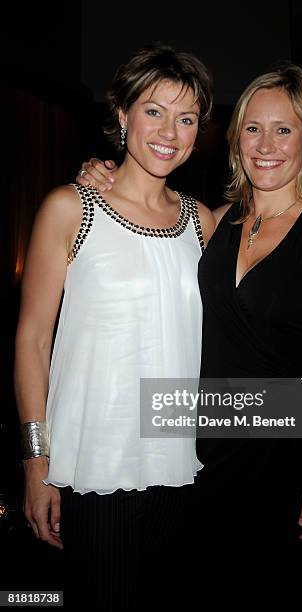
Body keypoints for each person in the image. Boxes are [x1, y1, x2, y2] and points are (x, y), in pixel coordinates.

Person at [77, 61, 302, 590]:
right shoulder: (213, 222)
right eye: (253, 129)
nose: (266, 144)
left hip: (284, 453)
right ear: (236, 143)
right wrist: (98, 173)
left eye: (284, 130)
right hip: (200, 449)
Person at [14, 43, 216, 609]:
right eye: (153, 111)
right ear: (122, 114)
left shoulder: (201, 222)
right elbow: (31, 339)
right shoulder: (71, 209)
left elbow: (260, 304)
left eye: (187, 118)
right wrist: (36, 461)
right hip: (97, 463)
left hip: (180, 461)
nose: (169, 132)